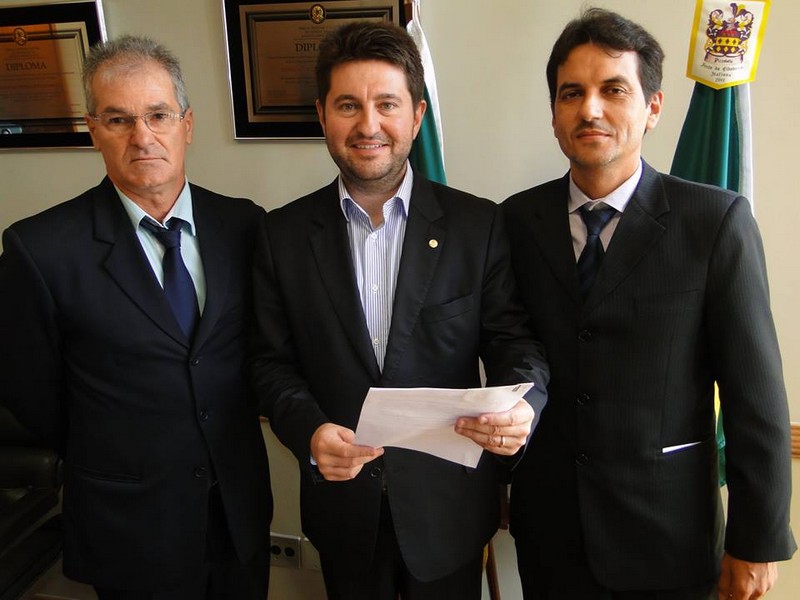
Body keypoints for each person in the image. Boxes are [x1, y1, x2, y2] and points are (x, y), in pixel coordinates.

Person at [249, 20, 549, 600]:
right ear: (322, 115)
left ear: (416, 116)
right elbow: (269, 363)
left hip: (449, 514)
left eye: (387, 104)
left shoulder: (478, 226)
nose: (368, 125)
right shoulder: (280, 235)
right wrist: (309, 432)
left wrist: (524, 404)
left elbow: (514, 342)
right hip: (343, 511)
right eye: (348, 105)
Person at [502, 8, 796, 600]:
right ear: (554, 115)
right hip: (550, 537)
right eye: (571, 93)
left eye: (614, 90)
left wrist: (757, 539)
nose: (590, 109)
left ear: (652, 108)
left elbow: (755, 396)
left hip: (670, 541)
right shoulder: (514, 221)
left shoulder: (714, 222)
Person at [0, 36, 271, 600]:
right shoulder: (40, 248)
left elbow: (257, 351)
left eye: (158, 115)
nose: (142, 137)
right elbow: (31, 392)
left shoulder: (245, 225)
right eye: (119, 119)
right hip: (128, 518)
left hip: (235, 505)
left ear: (187, 125)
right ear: (93, 130)